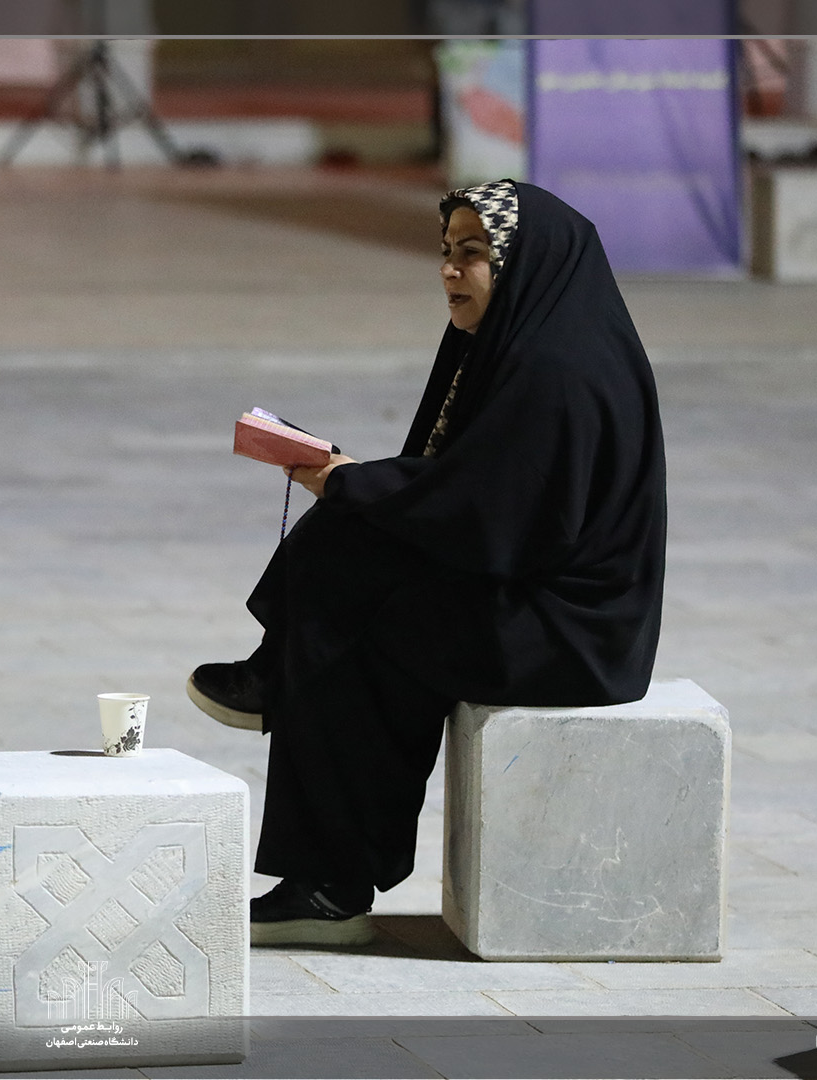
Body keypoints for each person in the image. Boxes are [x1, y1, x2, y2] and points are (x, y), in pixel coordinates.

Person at [187, 180, 667, 946]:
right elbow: (470, 490)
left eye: (473, 253)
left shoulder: (560, 370)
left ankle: (329, 885)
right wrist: (356, 486)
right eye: (445, 251)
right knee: (354, 546)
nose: (449, 270)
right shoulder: (523, 341)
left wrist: (353, 483)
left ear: (524, 262)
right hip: (536, 593)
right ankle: (320, 850)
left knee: (358, 633)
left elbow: (502, 520)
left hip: (574, 631)